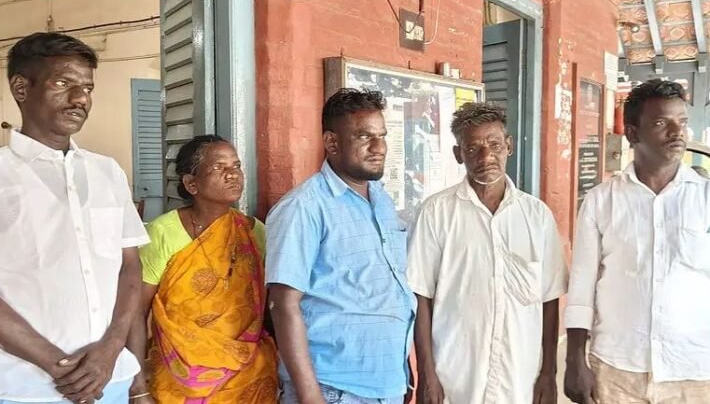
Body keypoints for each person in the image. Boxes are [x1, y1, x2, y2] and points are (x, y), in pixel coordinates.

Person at [0, 32, 149, 404]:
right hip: (24, 389)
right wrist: (63, 368)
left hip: (110, 380)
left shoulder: (107, 172)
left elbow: (129, 267)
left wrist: (111, 350)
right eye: (63, 84)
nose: (80, 99)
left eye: (87, 88)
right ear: (21, 88)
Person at [407, 103, 568, 404]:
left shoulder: (537, 216)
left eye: (494, 144)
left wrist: (549, 372)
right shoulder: (436, 213)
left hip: (519, 380)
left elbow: (549, 300)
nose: (486, 157)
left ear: (509, 146)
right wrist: (427, 374)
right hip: (456, 379)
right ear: (458, 154)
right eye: (473, 148)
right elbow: (421, 297)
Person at [266, 88, 416, 404]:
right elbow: (283, 305)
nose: (379, 147)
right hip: (332, 390)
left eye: (382, 136)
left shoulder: (381, 200)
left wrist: (401, 371)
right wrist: (310, 396)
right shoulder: (304, 207)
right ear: (332, 143)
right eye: (364, 137)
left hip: (386, 385)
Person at [564, 79, 710, 404]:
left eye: (682, 121)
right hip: (616, 370)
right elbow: (582, 285)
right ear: (632, 133)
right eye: (661, 123)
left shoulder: (705, 198)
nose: (677, 132)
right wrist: (574, 359)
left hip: (693, 371)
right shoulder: (602, 201)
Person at [126, 135, 278, 403]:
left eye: (237, 166)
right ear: (191, 183)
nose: (233, 174)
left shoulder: (254, 232)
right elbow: (135, 311)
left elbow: (269, 308)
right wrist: (138, 386)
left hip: (248, 378)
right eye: (219, 167)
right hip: (181, 380)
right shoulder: (163, 233)